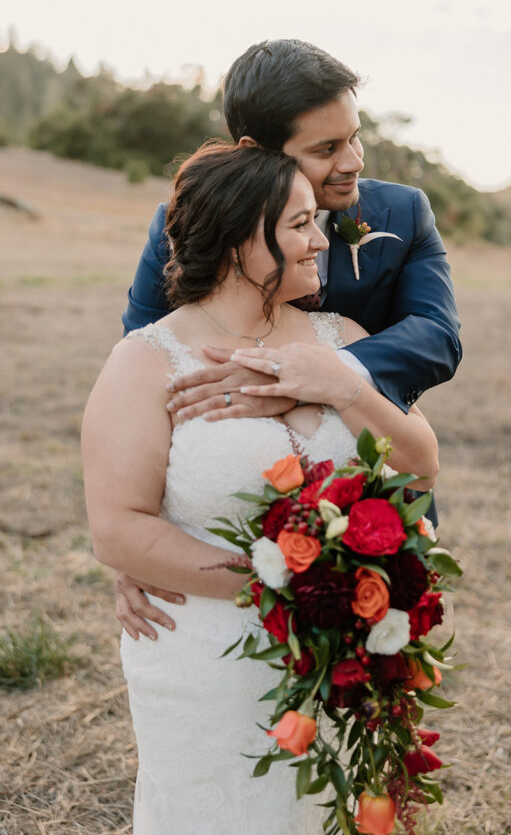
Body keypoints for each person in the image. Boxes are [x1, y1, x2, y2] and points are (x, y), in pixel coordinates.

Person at [82, 142, 440, 835]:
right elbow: (118, 528)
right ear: (241, 238)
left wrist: (342, 383)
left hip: (339, 655)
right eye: (298, 225)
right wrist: (288, 586)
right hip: (203, 655)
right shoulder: (146, 361)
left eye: (316, 221)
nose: (319, 240)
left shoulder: (342, 336)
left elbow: (420, 464)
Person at [116, 38, 461, 640]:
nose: (353, 160)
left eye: (355, 136)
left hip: (372, 505)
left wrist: (324, 375)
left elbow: (437, 335)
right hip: (225, 509)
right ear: (255, 152)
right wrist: (139, 542)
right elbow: (143, 358)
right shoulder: (184, 216)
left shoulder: (404, 213)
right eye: (326, 148)